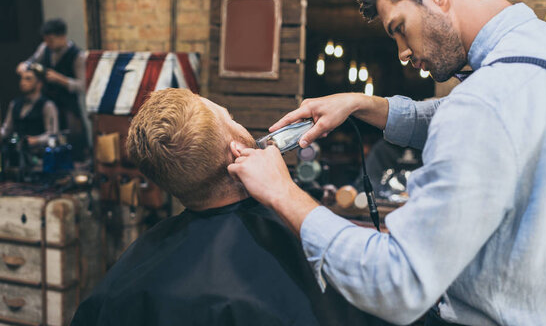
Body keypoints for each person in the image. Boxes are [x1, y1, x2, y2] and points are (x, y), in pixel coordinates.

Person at [227, 0, 546, 325]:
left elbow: (395, 283)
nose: (403, 53)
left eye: (399, 28)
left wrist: (283, 193)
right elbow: (493, 123)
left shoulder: (483, 104)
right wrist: (364, 104)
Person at [71, 88, 390, 326]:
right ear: (237, 150)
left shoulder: (133, 271)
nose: (239, 124)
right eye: (231, 118)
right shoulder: (294, 245)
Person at [18, 18, 88, 158]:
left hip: (67, 105)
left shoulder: (77, 56)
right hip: (49, 101)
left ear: (62, 37)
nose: (47, 44)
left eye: (51, 40)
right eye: (45, 40)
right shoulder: (45, 48)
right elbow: (31, 61)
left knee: (71, 140)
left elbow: (82, 85)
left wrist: (60, 79)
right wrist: (24, 66)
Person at [0, 66, 58, 148]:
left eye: (28, 79)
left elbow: (52, 134)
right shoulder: (15, 104)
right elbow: (6, 130)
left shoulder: (47, 105)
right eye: (22, 79)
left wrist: (37, 140)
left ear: (39, 84)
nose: (22, 82)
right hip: (17, 153)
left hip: (38, 155)